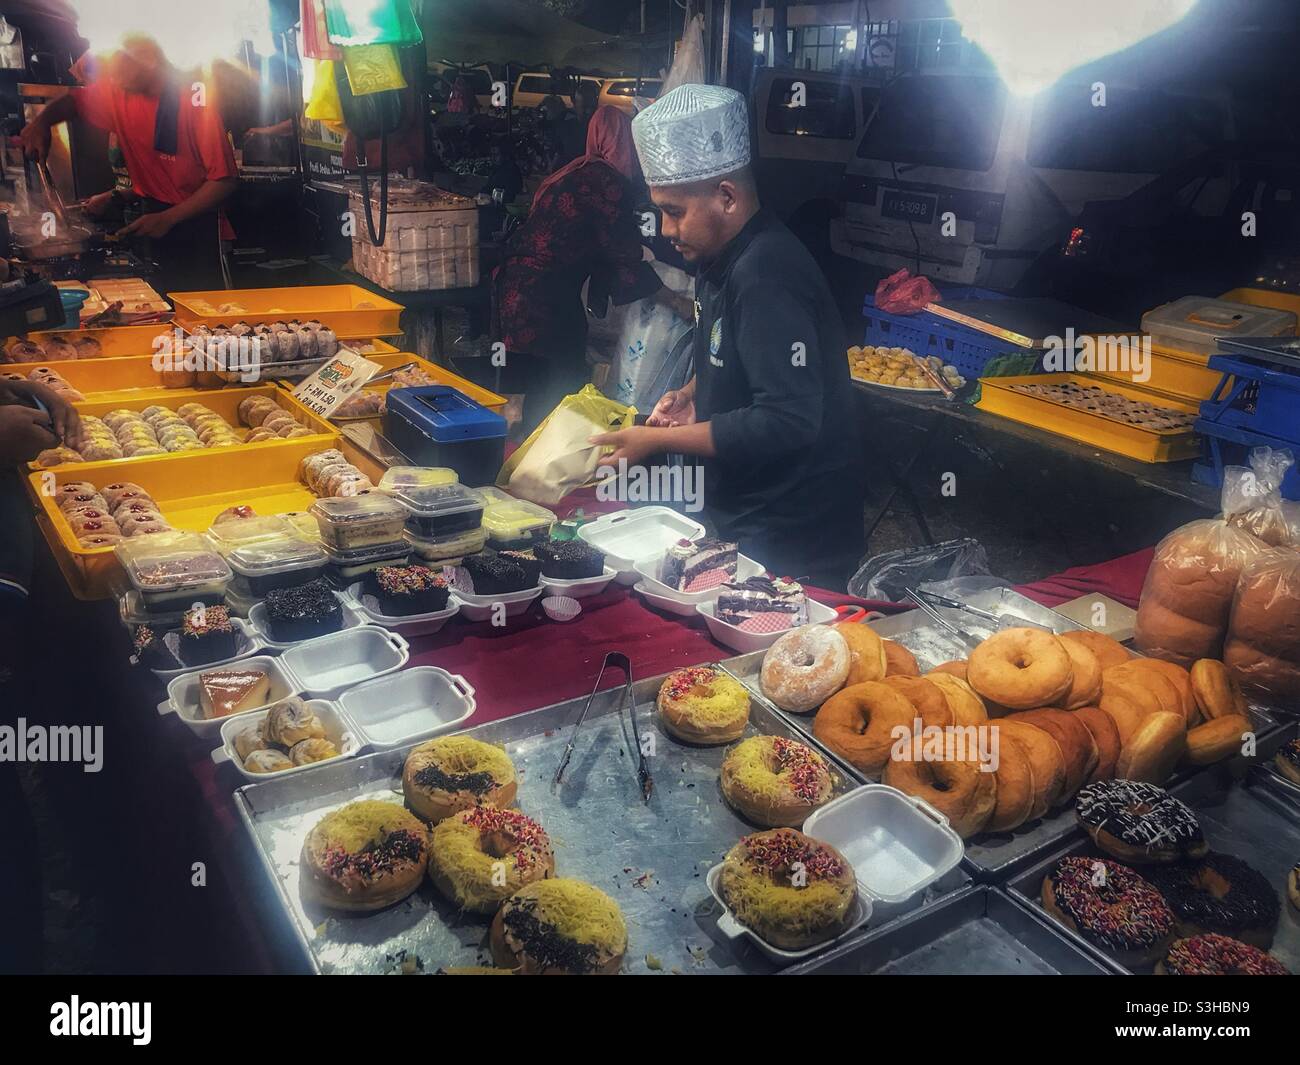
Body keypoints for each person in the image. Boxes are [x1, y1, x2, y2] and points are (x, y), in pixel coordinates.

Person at [592, 84, 865, 589]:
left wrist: (651, 440)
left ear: (727, 196)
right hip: (748, 515)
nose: (665, 228)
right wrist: (695, 395)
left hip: (798, 534)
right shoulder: (719, 258)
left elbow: (787, 421)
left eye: (674, 211)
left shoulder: (766, 274)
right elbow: (731, 350)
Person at [494, 104, 690, 433]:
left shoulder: (576, 169)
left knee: (525, 383)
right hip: (545, 298)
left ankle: (518, 450)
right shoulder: (606, 182)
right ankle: (548, 453)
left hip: (515, 289)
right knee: (560, 379)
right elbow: (623, 257)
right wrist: (678, 302)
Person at [19, 34, 238, 292]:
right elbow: (73, 102)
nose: (110, 76)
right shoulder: (119, 92)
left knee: (194, 317)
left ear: (148, 59)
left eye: (119, 65)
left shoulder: (193, 100)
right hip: (152, 219)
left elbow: (224, 181)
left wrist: (168, 218)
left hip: (196, 228)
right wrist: (41, 122)